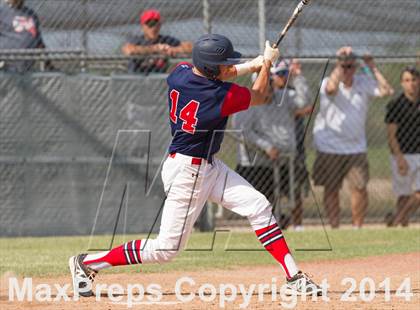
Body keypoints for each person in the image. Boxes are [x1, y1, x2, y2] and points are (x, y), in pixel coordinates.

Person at [69, 34, 322, 298]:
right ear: (213, 69)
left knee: (257, 205)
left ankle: (294, 276)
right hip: (188, 174)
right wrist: (267, 64)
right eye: (224, 63)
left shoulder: (179, 73)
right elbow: (260, 95)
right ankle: (87, 263)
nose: (228, 66)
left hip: (206, 166)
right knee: (166, 250)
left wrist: (254, 63)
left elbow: (222, 73)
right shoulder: (216, 95)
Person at [312, 46, 394, 229]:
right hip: (329, 146)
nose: (347, 70)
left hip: (356, 147)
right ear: (338, 66)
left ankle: (357, 227)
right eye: (344, 66)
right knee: (331, 188)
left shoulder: (363, 82)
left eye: (351, 66)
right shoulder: (328, 81)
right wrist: (339, 63)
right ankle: (334, 227)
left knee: (359, 188)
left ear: (356, 67)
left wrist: (371, 66)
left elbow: (387, 90)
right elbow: (331, 89)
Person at [233, 59, 312, 230]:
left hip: (285, 159)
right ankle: (265, 229)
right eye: (263, 84)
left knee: (294, 192)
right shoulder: (247, 103)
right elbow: (243, 132)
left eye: (269, 83)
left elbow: (304, 103)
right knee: (263, 199)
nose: (267, 88)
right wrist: (267, 147)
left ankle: (297, 228)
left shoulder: (282, 97)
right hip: (257, 162)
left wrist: (297, 78)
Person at [384, 67, 420, 226]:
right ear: (401, 83)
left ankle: (396, 219)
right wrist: (399, 158)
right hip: (403, 155)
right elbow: (391, 136)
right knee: (403, 194)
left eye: (414, 80)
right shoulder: (395, 105)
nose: (411, 84)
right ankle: (401, 226)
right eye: (407, 80)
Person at [121, 9, 193, 74]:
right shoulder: (138, 40)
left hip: (159, 81)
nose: (153, 28)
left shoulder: (166, 40)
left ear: (160, 25)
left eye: (156, 24)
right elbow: (129, 50)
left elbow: (191, 47)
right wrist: (155, 49)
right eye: (150, 24)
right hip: (137, 80)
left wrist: (173, 49)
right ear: (143, 26)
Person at [0, 0, 49, 72]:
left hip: (27, 66)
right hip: (6, 65)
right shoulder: (2, 12)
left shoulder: (31, 14)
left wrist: (47, 62)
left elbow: (39, 41)